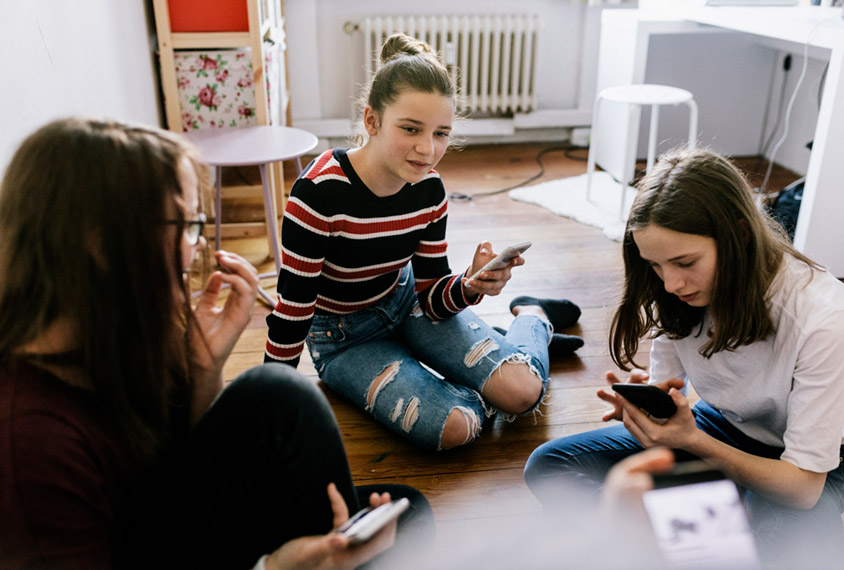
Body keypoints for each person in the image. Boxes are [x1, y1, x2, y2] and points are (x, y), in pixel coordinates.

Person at [0, 118, 432, 570]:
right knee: (277, 394)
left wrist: (204, 368)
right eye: (183, 224)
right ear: (101, 243)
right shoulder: (30, 446)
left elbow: (177, 464)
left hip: (158, 527)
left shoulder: (112, 332)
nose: (197, 246)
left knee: (406, 515)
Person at [523, 148, 844, 568]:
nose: (671, 283)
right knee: (550, 466)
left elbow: (803, 487)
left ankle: (671, 536)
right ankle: (686, 536)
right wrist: (653, 409)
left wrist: (691, 441)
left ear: (740, 235)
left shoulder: (822, 319)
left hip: (807, 471)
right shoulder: (679, 291)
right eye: (655, 265)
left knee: (793, 548)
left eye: (685, 262)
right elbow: (669, 387)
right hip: (722, 428)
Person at [264, 33, 583, 451]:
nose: (427, 149)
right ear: (371, 120)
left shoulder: (429, 190)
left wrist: (468, 285)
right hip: (342, 338)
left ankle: (533, 318)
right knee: (457, 428)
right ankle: (494, 357)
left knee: (524, 393)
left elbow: (431, 297)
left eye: (441, 134)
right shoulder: (318, 193)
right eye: (411, 129)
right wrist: (270, 408)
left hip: (407, 304)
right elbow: (293, 309)